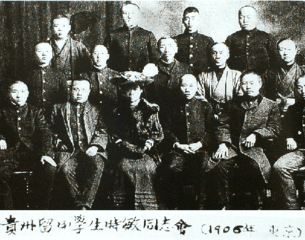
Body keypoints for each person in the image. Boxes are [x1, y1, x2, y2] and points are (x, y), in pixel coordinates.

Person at [213, 71, 281, 209]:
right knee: (219, 166)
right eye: (244, 83)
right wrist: (223, 143)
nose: (248, 86)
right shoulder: (232, 104)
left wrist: (257, 135)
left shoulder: (270, 105)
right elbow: (222, 125)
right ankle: (224, 205)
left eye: (252, 83)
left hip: (257, 148)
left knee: (255, 167)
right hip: (232, 146)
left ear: (260, 84)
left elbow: (275, 129)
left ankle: (259, 203)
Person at [108, 72, 164, 210]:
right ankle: (123, 208)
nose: (131, 93)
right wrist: (123, 144)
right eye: (128, 90)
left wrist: (148, 143)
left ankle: (146, 207)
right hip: (124, 151)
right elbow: (113, 134)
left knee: (147, 167)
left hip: (147, 152)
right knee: (124, 167)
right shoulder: (117, 111)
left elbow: (158, 133)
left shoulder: (151, 109)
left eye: (135, 89)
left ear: (141, 91)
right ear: (123, 92)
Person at [50, 79, 107, 210]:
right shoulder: (58, 108)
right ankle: (80, 204)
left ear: (88, 92)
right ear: (70, 90)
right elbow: (50, 129)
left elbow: (102, 130)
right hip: (69, 150)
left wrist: (95, 146)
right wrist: (58, 143)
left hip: (90, 148)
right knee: (66, 169)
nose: (79, 93)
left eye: (83, 90)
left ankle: (85, 204)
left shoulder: (96, 109)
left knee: (98, 165)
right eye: (76, 89)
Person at [0, 80, 56, 209]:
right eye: (14, 92)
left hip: (33, 154)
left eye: (22, 92)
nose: (19, 95)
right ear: (8, 94)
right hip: (9, 154)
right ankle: (9, 212)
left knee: (49, 169)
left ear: (28, 94)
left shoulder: (36, 112)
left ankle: (41, 210)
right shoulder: (2, 112)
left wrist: (45, 154)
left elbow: (45, 134)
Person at [162, 74, 215, 209]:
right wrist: (178, 144)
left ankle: (201, 204)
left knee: (204, 165)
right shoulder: (171, 107)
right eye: (184, 85)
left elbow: (211, 131)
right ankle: (176, 204)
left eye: (191, 86)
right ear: (179, 87)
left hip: (200, 148)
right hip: (179, 148)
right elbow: (167, 130)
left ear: (197, 87)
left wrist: (200, 144)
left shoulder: (205, 106)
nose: (187, 89)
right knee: (172, 167)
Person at [273, 75, 305, 210]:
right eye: (299, 87)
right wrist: (289, 137)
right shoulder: (294, 109)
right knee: (279, 166)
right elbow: (286, 127)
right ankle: (292, 207)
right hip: (301, 152)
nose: (303, 90)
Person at [146, 37, 190, 122]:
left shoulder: (185, 68)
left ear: (176, 49)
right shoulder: (150, 68)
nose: (167, 50)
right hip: (158, 115)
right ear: (157, 50)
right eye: (162, 47)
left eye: (170, 46)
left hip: (180, 115)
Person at [104, 3, 158, 72]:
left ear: (138, 16)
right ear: (121, 16)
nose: (129, 16)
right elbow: (104, 59)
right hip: (117, 79)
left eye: (133, 13)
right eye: (125, 13)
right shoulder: (112, 35)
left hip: (142, 79)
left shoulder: (148, 35)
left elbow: (155, 61)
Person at [225, 5, 278, 73]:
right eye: (241, 17)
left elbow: (275, 61)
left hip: (263, 79)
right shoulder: (232, 38)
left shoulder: (267, 37)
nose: (245, 20)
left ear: (255, 18)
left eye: (248, 17)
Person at [26, 42, 68, 122]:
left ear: (52, 54)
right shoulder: (27, 74)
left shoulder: (59, 74)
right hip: (33, 117)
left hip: (54, 117)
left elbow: (64, 98)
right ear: (34, 54)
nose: (44, 54)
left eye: (47, 51)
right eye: (40, 51)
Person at [198, 43, 242, 118]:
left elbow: (240, 97)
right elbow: (199, 96)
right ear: (210, 56)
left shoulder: (237, 75)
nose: (218, 56)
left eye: (221, 53)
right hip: (209, 115)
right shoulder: (203, 75)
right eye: (214, 53)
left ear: (228, 55)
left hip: (231, 115)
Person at [264, 38, 305, 115]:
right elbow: (263, 92)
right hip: (276, 109)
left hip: (299, 109)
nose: (286, 53)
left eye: (289, 49)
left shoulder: (303, 71)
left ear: (296, 50)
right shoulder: (269, 72)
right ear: (277, 52)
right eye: (282, 49)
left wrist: (297, 100)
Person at [49, 14, 91, 85]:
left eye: (64, 26)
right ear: (51, 28)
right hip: (51, 85)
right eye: (56, 26)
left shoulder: (79, 47)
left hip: (74, 85)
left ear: (69, 28)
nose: (60, 29)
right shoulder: (46, 46)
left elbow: (88, 69)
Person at [174, 7, 214, 75]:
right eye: (187, 19)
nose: (190, 22)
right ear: (183, 20)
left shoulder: (207, 41)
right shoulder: (175, 40)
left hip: (201, 79)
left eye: (193, 18)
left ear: (199, 20)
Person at [81, 45, 120, 114]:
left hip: (112, 115)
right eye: (95, 53)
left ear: (107, 56)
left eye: (102, 53)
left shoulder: (116, 75)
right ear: (91, 56)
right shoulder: (83, 76)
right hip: (90, 115)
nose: (99, 56)